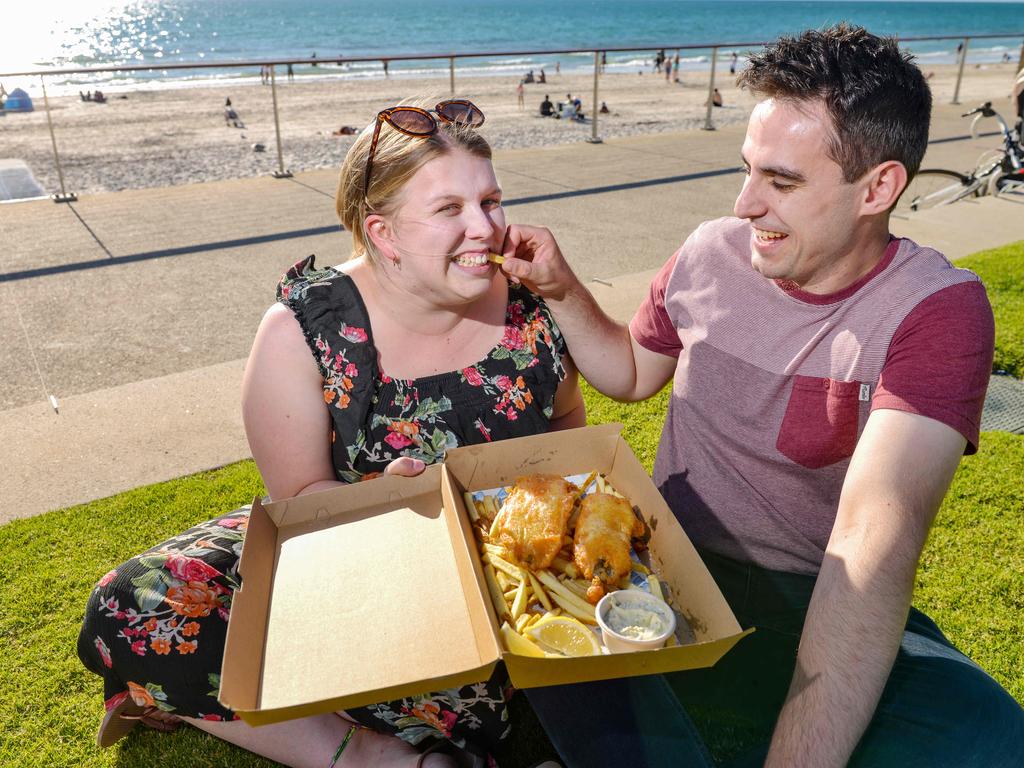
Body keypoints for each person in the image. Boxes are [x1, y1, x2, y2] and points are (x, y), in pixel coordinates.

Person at [496, 24, 1024, 767]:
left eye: (781, 182)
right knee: (568, 682)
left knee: (994, 739)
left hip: (815, 597)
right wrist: (564, 289)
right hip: (671, 573)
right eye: (746, 171)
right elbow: (632, 373)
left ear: (879, 188)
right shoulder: (711, 251)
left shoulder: (936, 309)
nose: (744, 205)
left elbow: (872, 544)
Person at [77, 97, 583, 768]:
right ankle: (371, 754)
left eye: (490, 201)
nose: (484, 229)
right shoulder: (304, 330)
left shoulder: (530, 304)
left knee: (467, 677)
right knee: (131, 603)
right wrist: (377, 501)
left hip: (496, 573)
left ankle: (230, 701)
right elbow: (300, 506)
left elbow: (569, 425)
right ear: (383, 233)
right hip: (342, 546)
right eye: (448, 210)